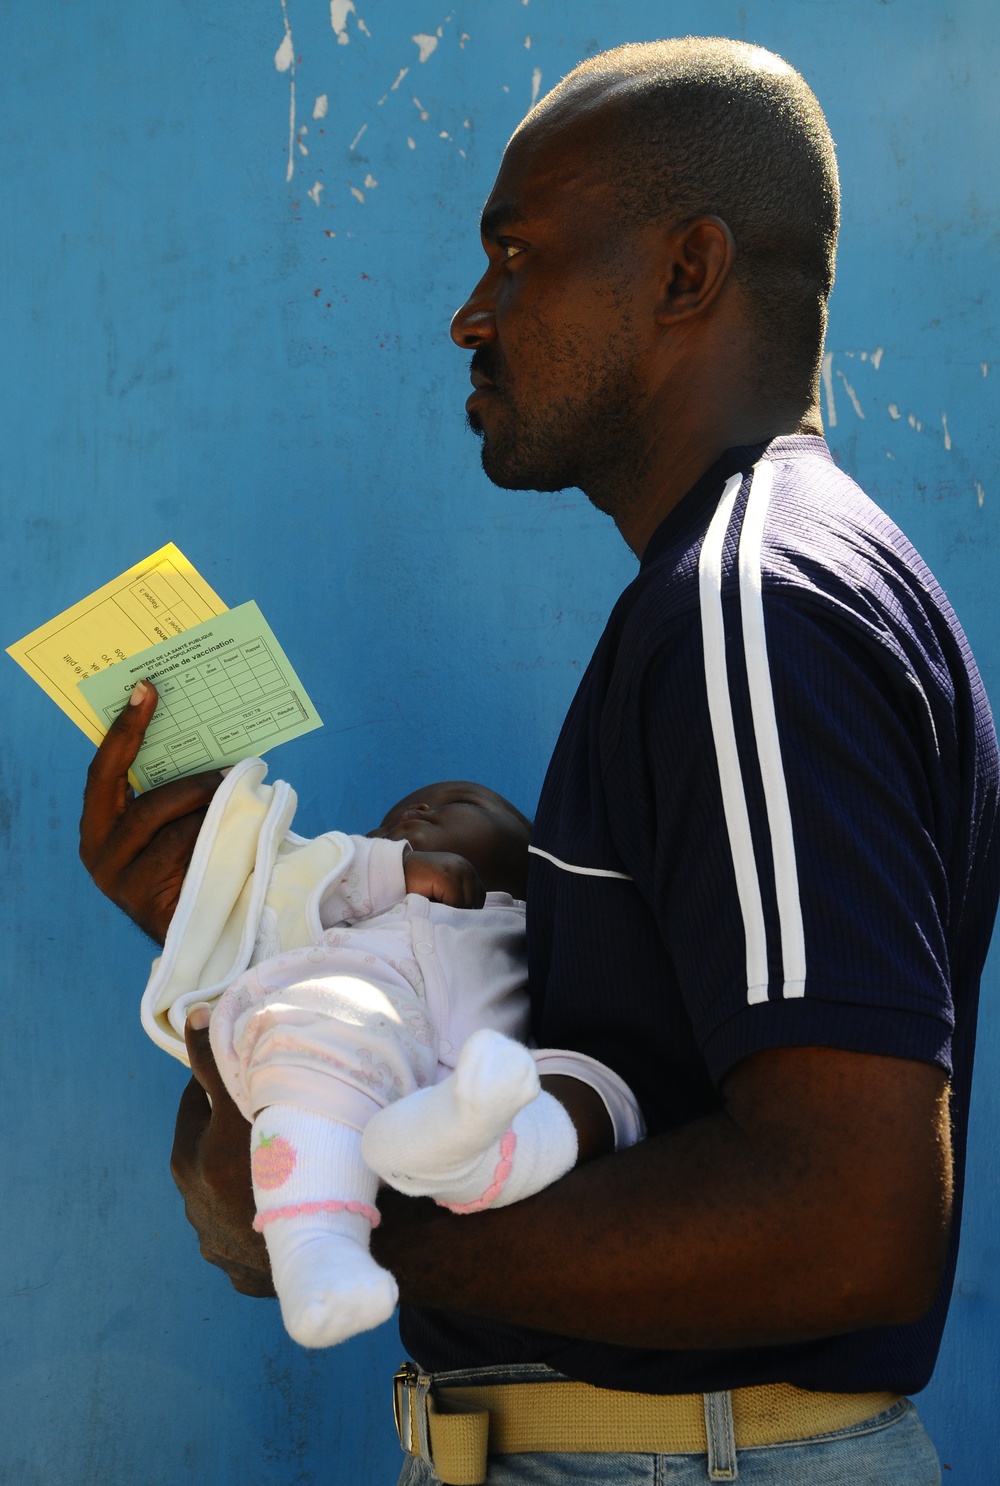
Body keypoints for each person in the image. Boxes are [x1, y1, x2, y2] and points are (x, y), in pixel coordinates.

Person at [80, 36, 999, 1486]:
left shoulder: (753, 607)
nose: (469, 313)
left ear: (688, 272)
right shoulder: (736, 596)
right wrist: (252, 939)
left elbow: (853, 1216)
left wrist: (337, 1214)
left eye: (518, 257)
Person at [131, 738, 642, 1351]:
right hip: (355, 1040)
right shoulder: (360, 906)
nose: (416, 812)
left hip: (484, 1070)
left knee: (599, 1091)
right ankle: (316, 1251)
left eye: (460, 801)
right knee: (321, 1043)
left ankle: (473, 1153)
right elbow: (299, 882)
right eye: (394, 820)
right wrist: (386, 869)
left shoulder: (540, 922)